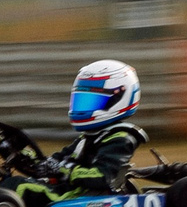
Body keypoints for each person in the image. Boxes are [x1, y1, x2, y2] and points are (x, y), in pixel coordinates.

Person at [41, 58, 148, 196]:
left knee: (20, 187)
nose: (83, 107)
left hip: (85, 199)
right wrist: (39, 162)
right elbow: (60, 158)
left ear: (118, 99)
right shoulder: (90, 136)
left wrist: (64, 170)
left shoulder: (122, 138)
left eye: (92, 101)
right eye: (81, 100)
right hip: (69, 193)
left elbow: (101, 176)